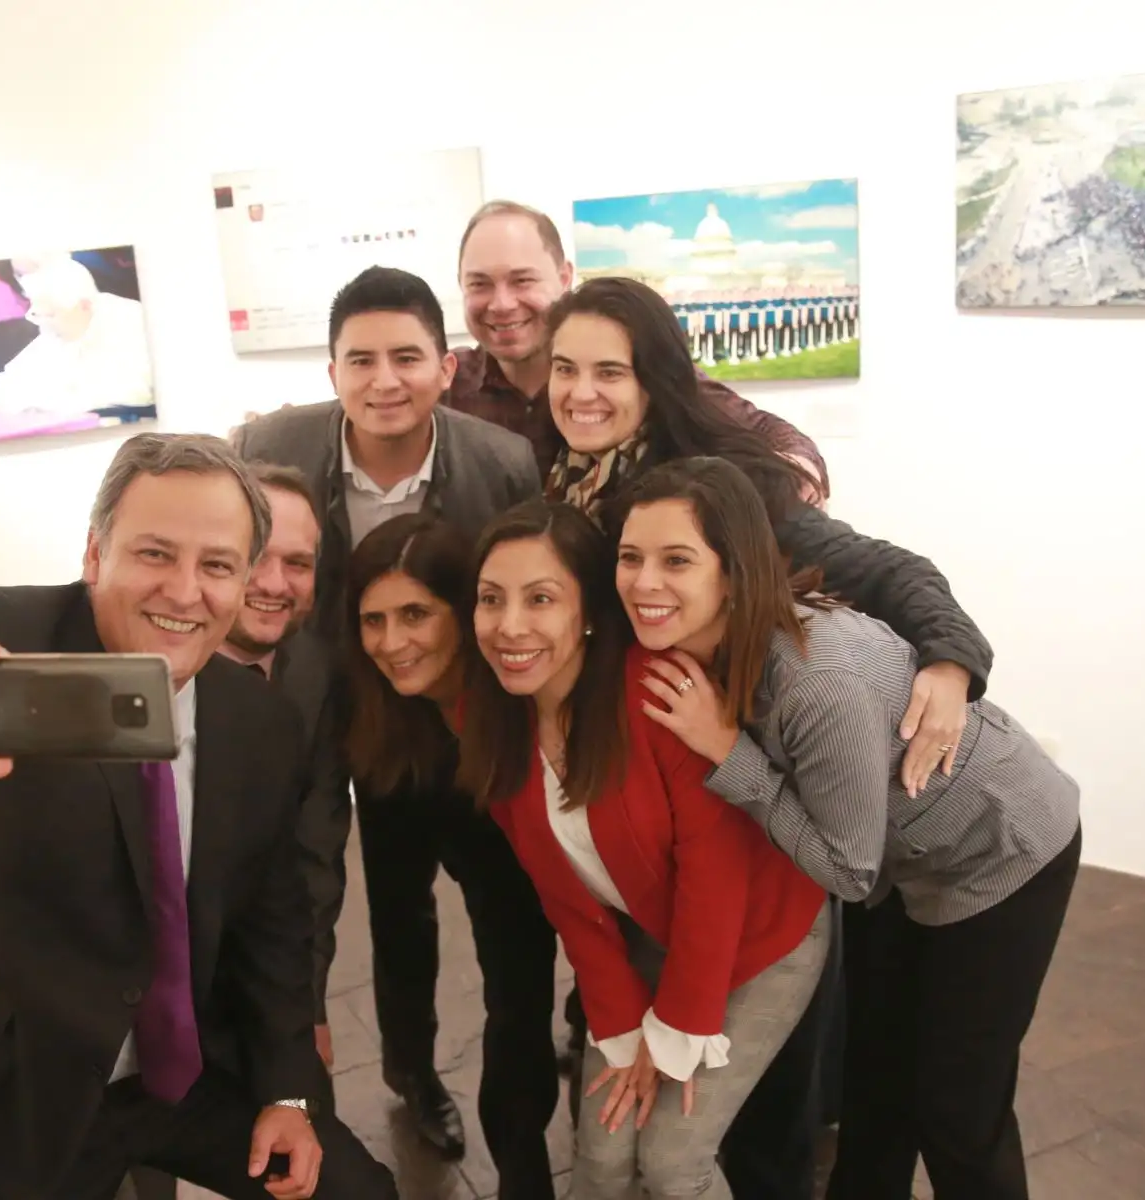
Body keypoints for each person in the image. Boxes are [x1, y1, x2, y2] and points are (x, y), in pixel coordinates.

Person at [0, 433, 397, 1200]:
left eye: (216, 566)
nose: (184, 592)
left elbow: (275, 923)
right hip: (2, 1084)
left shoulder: (258, 722)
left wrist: (287, 1093)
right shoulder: (11, 636)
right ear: (94, 556)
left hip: (178, 1067)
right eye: (154, 555)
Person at [545, 274, 999, 1194]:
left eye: (609, 371)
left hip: (772, 813)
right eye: (563, 369)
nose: (579, 391)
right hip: (661, 816)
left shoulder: (735, 486)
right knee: (655, 1077)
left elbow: (885, 568)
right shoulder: (562, 481)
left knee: (772, 1091)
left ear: (655, 379)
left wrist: (949, 661)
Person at [611, 456, 1082, 1200]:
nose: (644, 582)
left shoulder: (811, 680)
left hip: (1002, 851)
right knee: (875, 1079)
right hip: (908, 860)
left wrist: (730, 754)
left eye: (677, 560)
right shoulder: (708, 648)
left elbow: (847, 869)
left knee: (958, 1107)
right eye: (631, 558)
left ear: (733, 574)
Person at [234, 268, 560, 1196]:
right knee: (393, 910)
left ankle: (522, 1135)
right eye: (361, 359)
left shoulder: (498, 459)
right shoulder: (270, 446)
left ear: (447, 367)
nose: (386, 379)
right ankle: (411, 1077)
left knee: (511, 918)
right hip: (356, 719)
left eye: (407, 357)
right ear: (330, 370)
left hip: (470, 724)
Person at [459, 500, 830, 1199]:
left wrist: (674, 1032)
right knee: (599, 1159)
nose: (509, 626)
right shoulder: (497, 722)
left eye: (540, 599)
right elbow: (567, 903)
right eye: (490, 600)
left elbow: (716, 881)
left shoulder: (656, 693)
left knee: (670, 1162)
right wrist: (624, 1026)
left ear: (591, 613)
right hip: (659, 938)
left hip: (764, 938)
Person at [127, 462, 351, 1200]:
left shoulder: (304, 683)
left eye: (299, 562)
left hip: (245, 1007)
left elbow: (308, 866)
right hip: (96, 1037)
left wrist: (305, 1012)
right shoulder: (95, 671)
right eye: (252, 558)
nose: (274, 582)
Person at [338, 512, 562, 1198]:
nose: (392, 641)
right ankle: (411, 1073)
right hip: (406, 774)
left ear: (464, 614)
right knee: (398, 923)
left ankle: (522, 1171)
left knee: (518, 983)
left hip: (490, 797)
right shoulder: (379, 711)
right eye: (373, 621)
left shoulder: (513, 701)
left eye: (415, 614)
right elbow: (395, 916)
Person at [448, 199, 828, 502]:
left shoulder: (643, 370)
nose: (501, 304)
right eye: (479, 284)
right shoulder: (446, 387)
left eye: (522, 280)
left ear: (565, 277)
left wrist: (792, 489)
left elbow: (766, 433)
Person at [0, 256, 154, 420]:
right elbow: (12, 379)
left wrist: (36, 401)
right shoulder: (53, 333)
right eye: (37, 315)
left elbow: (133, 393)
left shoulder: (131, 320)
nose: (43, 324)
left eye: (51, 315)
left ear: (85, 305)